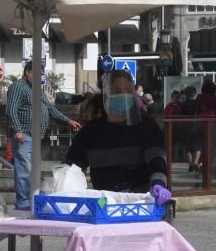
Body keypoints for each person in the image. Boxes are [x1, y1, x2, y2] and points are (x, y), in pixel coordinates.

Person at [64, 69, 171, 202]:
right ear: (107, 95)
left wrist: (158, 183)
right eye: (117, 91)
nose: (123, 95)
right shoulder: (91, 131)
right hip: (105, 205)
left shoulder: (147, 126)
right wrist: (61, 182)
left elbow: (157, 159)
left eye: (127, 90)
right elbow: (72, 166)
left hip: (141, 202)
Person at [7, 61, 81, 210]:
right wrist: (18, 130)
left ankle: (33, 196)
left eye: (41, 73)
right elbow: (11, 110)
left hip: (36, 136)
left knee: (32, 169)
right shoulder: (18, 87)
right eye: (36, 72)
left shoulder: (37, 90)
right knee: (24, 168)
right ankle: (24, 201)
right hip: (25, 135)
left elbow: (50, 109)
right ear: (28, 72)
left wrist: (68, 121)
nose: (39, 76)